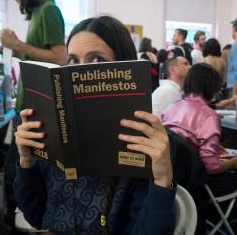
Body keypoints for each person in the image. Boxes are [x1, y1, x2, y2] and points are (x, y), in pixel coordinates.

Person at [14, 16, 176, 234]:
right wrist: (27, 162)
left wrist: (163, 180)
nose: (78, 73)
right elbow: (36, 216)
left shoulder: (142, 144)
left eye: (97, 60)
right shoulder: (54, 134)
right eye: (72, 61)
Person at [162, 63, 237, 227]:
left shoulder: (172, 107)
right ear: (211, 87)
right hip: (199, 183)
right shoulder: (208, 115)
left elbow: (180, 143)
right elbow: (211, 167)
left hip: (173, 178)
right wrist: (234, 162)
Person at [0, 0, 67, 113]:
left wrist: (18, 44)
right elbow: (36, 59)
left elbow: (60, 58)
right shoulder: (38, 11)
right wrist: (14, 50)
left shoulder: (49, 10)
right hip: (28, 101)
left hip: (37, 104)